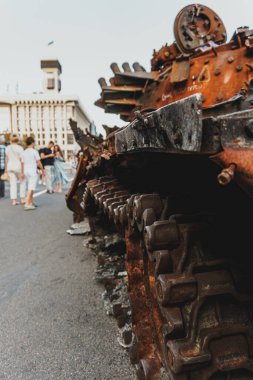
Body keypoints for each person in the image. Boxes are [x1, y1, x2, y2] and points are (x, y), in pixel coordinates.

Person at [21, 136, 45, 210]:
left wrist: (22, 173)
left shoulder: (24, 151)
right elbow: (38, 162)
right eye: (34, 142)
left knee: (30, 187)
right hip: (32, 171)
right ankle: (27, 204)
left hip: (26, 171)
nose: (35, 144)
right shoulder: (34, 151)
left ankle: (30, 202)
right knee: (31, 188)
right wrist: (42, 170)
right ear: (32, 143)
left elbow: (22, 163)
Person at [5, 135, 26, 205]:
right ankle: (23, 199)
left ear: (11, 140)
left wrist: (6, 170)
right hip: (18, 167)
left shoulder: (7, 148)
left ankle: (14, 201)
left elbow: (6, 159)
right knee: (22, 182)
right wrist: (23, 171)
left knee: (12, 184)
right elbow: (22, 160)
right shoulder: (20, 148)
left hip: (10, 167)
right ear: (18, 141)